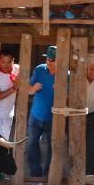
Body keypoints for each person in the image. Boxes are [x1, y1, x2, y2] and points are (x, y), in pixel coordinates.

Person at [27, 46, 57, 178]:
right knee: (32, 144)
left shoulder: (66, 75)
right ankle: (35, 173)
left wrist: (62, 90)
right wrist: (33, 88)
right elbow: (28, 89)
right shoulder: (39, 69)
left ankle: (49, 173)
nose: (49, 62)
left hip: (54, 118)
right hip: (36, 115)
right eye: (48, 59)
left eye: (53, 59)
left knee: (53, 146)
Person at [0, 48, 18, 141]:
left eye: (9, 62)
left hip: (9, 113)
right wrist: (13, 88)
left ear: (13, 60)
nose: (6, 65)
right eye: (3, 62)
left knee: (6, 140)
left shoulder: (17, 69)